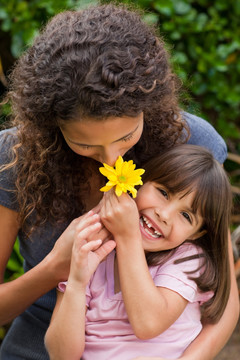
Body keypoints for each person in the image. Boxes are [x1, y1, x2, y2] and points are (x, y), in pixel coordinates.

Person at [0, 3, 238, 360]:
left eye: (127, 136)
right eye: (85, 144)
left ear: (148, 105)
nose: (112, 162)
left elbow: (224, 303)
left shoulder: (192, 143)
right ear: (52, 125)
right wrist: (56, 268)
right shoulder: (16, 155)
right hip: (47, 333)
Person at [45, 144, 232, 360]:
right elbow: (61, 355)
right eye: (163, 192)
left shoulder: (187, 259)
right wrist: (77, 284)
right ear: (138, 183)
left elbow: (148, 323)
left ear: (195, 234)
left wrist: (127, 237)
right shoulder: (91, 250)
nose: (164, 215)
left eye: (186, 216)